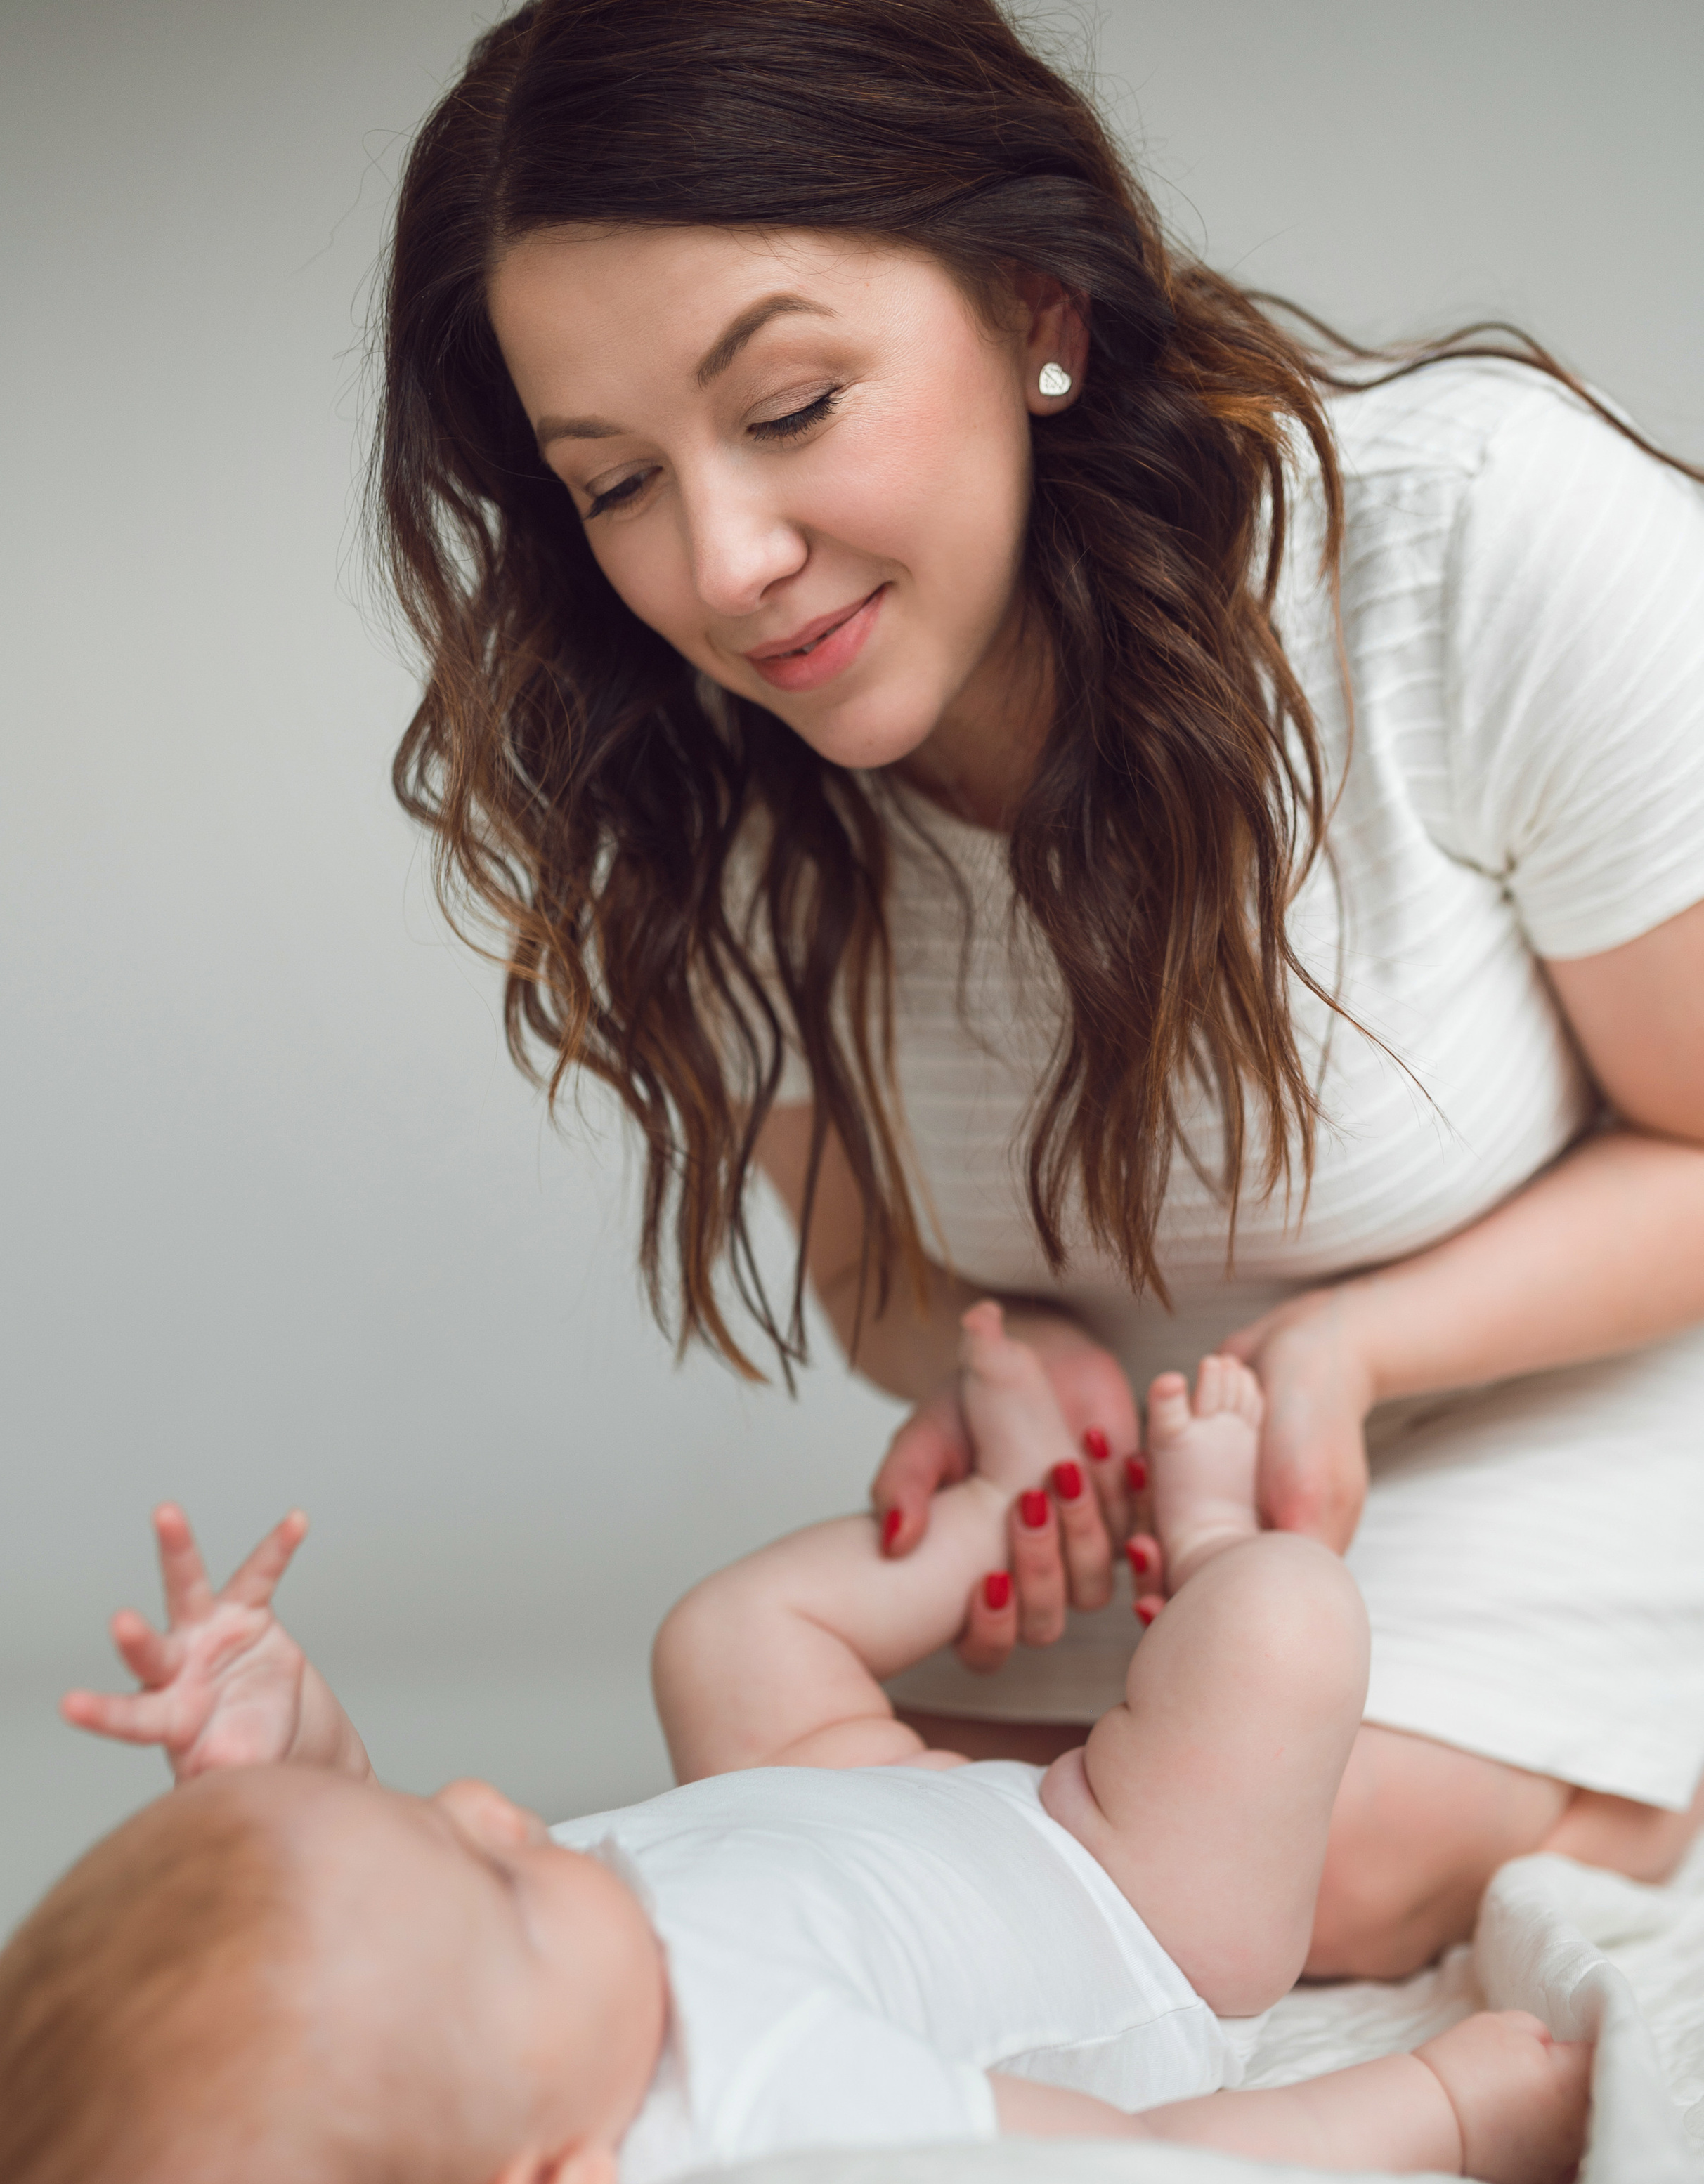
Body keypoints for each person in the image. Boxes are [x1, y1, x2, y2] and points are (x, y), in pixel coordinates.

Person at [374, 0, 1704, 1985]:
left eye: (792, 406)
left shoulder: (1464, 544)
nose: (726, 566)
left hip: (1599, 1388)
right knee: (867, 1856)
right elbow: (873, 1283)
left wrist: (1342, 1355)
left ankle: (1643, 1789)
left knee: (1285, 1872)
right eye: (613, 482)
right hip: (1167, 1504)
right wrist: (1005, 1357)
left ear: (1036, 300)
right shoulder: (692, 787)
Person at [0, 1330, 1589, 2184]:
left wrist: (284, 1746)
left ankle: (1011, 1507)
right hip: (1111, 1884)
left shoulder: (496, 2048)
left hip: (835, 1808)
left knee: (712, 1642)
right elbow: (1160, 2165)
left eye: (444, 1824)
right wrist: (1443, 2111)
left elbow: (385, 1873)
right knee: (1287, 1626)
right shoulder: (770, 2120)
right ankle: (1209, 1538)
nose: (492, 1807)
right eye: (489, 1879)